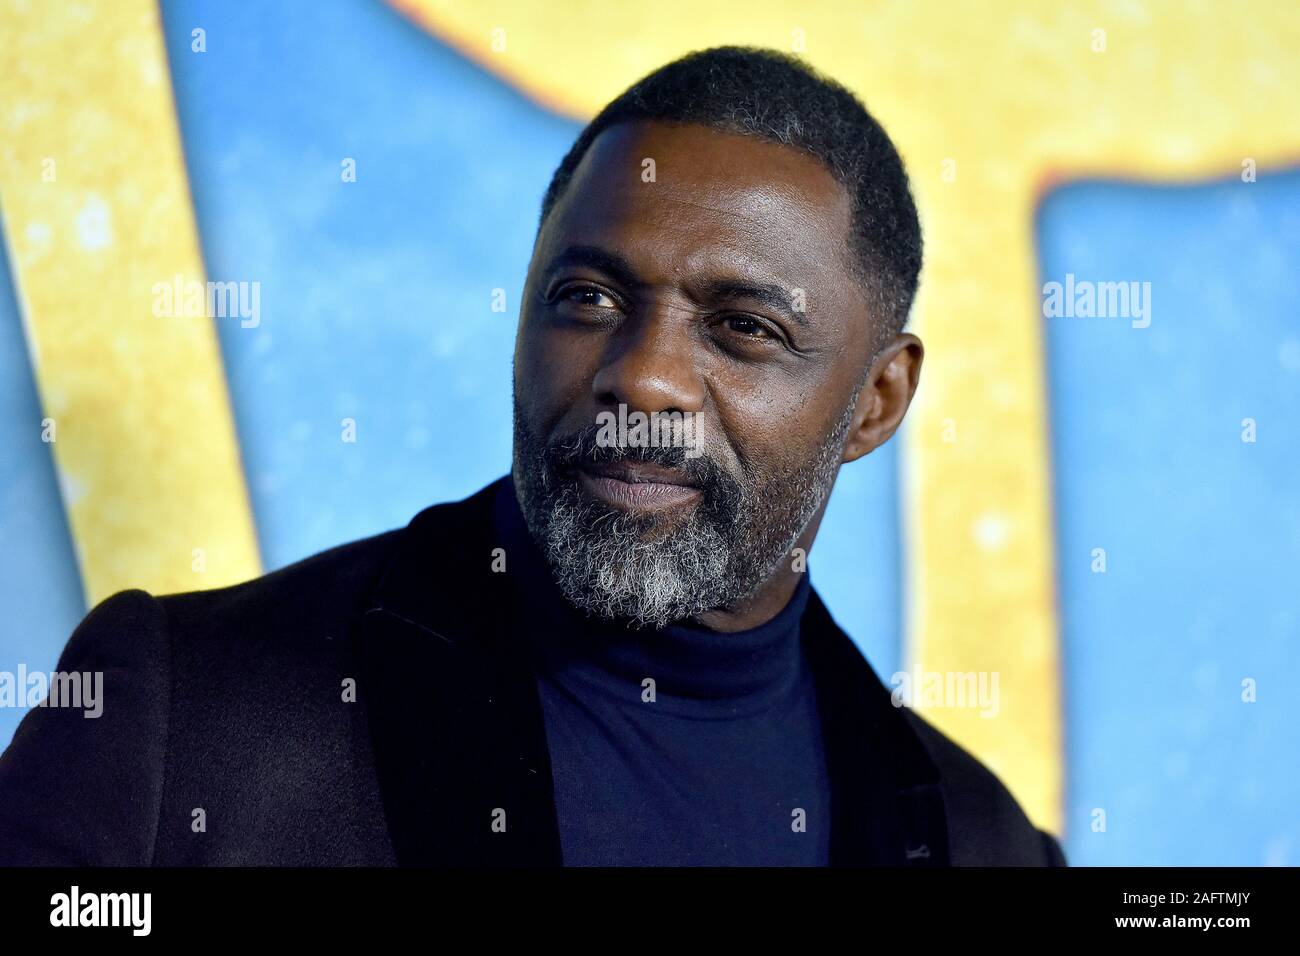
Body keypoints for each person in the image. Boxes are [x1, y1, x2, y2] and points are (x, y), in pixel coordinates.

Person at [0, 46, 1065, 867]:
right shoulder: (179, 715)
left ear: (877, 402)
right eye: (588, 298)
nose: (642, 378)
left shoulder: (985, 846)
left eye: (743, 327)